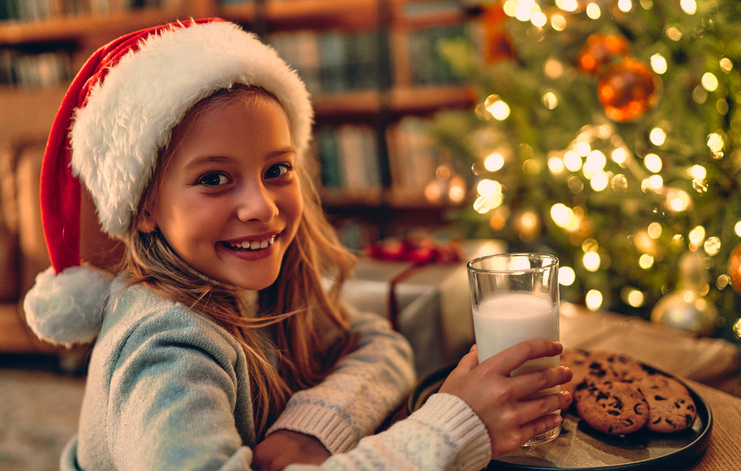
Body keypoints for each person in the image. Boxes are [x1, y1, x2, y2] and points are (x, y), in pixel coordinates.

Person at [23, 18, 572, 471]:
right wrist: (453, 427)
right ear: (145, 209)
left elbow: (380, 342)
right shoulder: (165, 347)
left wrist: (308, 433)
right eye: (214, 178)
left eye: (276, 169)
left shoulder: (266, 285)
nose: (260, 206)